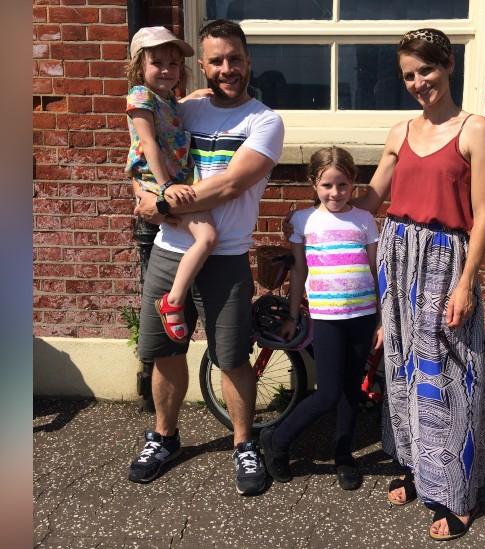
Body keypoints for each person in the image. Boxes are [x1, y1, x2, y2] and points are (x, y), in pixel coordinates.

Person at [128, 20, 285, 497]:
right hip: (168, 252)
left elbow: (229, 185)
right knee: (164, 354)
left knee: (233, 358)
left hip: (226, 256)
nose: (226, 68)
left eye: (234, 59)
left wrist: (159, 204)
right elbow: (141, 155)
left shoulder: (264, 120)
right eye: (216, 60)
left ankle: (243, 443)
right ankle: (165, 437)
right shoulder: (182, 107)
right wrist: (142, 190)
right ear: (202, 66)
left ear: (248, 61)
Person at [355, 28, 485, 541]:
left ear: (448, 66)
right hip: (397, 254)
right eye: (408, 75)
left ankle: (456, 493)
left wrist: (466, 284)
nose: (418, 82)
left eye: (426, 71)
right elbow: (371, 200)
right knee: (400, 367)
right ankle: (416, 468)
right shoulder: (400, 132)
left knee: (448, 376)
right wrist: (317, 214)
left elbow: (482, 216)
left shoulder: (474, 130)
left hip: (443, 259)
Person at [260, 147, 381, 491]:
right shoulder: (303, 221)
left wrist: (383, 318)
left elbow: (374, 270)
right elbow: (300, 271)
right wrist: (293, 313)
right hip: (326, 317)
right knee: (327, 392)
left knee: (350, 390)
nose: (335, 193)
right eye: (327, 185)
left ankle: (344, 455)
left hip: (362, 315)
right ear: (313, 183)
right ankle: (277, 439)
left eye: (342, 185)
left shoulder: (363, 220)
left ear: (353, 183)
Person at [125, 26, 216, 343]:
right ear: (140, 66)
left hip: (172, 186)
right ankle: (173, 303)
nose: (166, 70)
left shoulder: (168, 100)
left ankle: (173, 302)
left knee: (204, 238)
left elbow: (169, 111)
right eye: (157, 62)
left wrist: (191, 97)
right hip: (157, 186)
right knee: (205, 238)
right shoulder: (139, 97)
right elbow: (149, 143)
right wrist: (165, 187)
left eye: (173, 64)